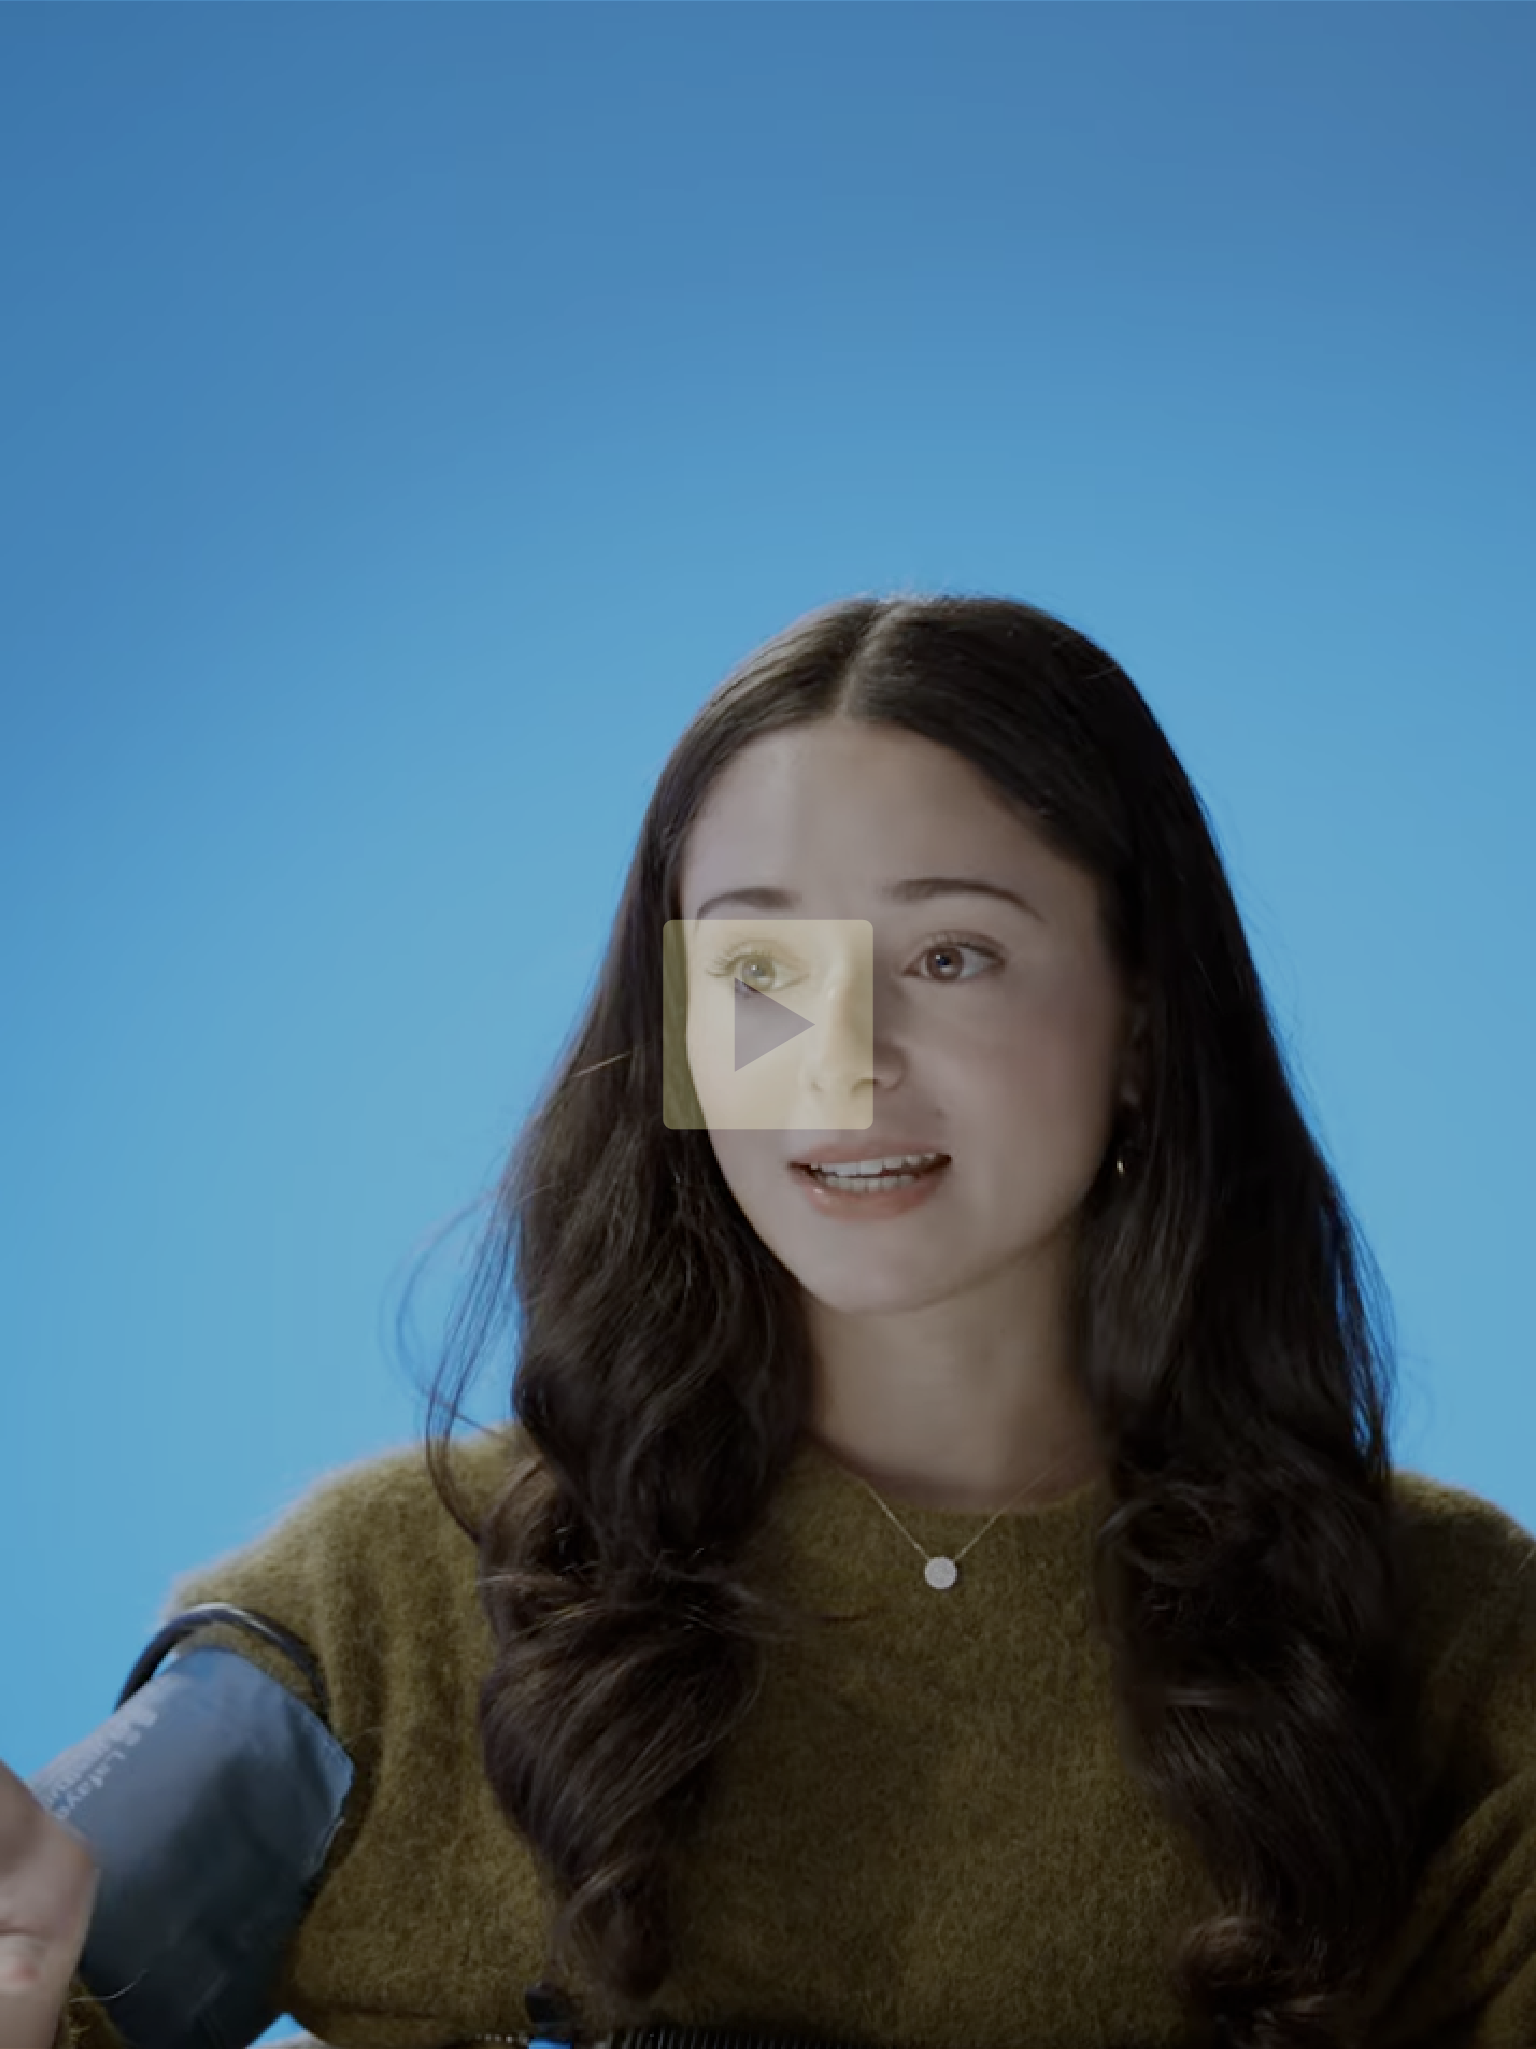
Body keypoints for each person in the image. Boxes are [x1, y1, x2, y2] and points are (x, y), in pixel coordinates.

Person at [9, 593, 1536, 2049]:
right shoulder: (371, 1618)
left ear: (1144, 1020)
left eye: (952, 956)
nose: (842, 1061)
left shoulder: (1455, 1648)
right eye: (759, 967)